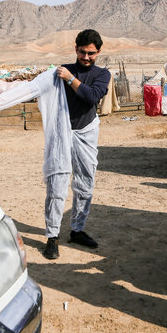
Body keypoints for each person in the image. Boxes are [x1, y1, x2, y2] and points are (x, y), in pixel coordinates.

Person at [43, 29, 111, 259]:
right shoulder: (62, 70)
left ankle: (77, 230)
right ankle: (52, 236)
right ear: (76, 49)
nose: (86, 57)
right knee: (57, 182)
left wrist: (70, 79)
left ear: (98, 52)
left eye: (91, 53)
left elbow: (92, 96)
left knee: (85, 182)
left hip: (86, 130)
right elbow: (40, 88)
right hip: (61, 132)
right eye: (82, 52)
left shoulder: (102, 74)